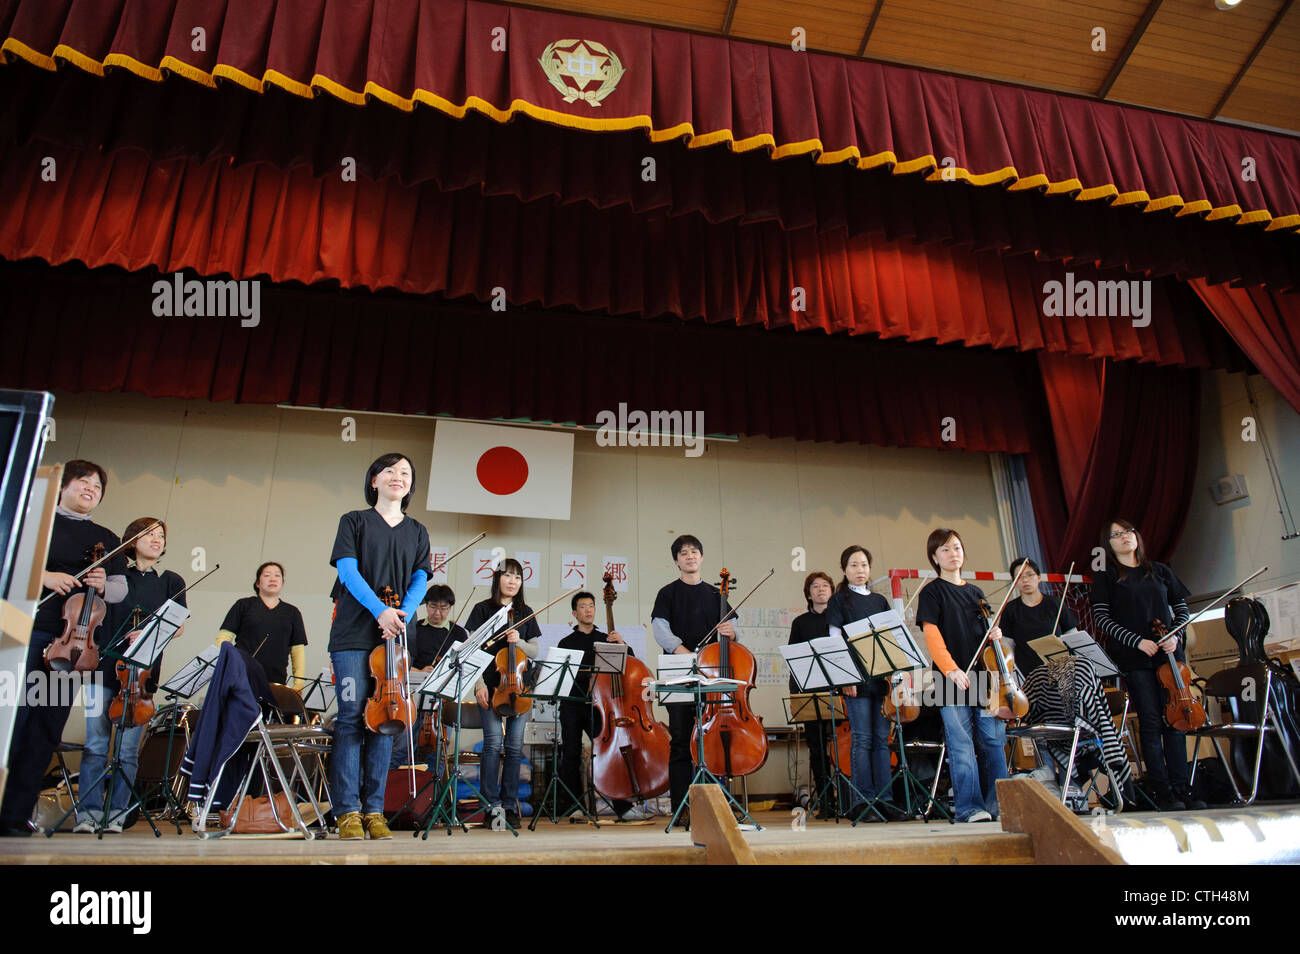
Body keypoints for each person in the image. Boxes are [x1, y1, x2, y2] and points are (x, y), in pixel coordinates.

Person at [1, 460, 129, 837]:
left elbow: (121, 590)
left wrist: (104, 584)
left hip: (71, 648)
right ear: (63, 486)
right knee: (11, 721)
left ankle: (14, 817)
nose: (91, 489)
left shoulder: (105, 538)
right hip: (23, 632)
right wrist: (41, 576)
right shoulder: (33, 525)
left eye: (98, 487)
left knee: (44, 727)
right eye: (83, 482)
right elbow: (6, 564)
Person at [327, 453, 431, 840]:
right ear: (373, 480)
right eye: (389, 470)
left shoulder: (418, 530)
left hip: (394, 634)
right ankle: (347, 811)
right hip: (354, 633)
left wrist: (400, 613)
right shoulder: (353, 521)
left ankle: (374, 810)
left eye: (405, 472)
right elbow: (348, 571)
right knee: (353, 716)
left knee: (388, 720)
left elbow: (420, 577)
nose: (397, 477)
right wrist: (380, 612)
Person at [77, 517, 186, 833]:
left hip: (140, 680)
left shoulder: (171, 581)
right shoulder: (114, 575)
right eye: (150, 534)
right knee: (95, 745)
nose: (157, 539)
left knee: (126, 751)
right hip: (102, 669)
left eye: (161, 535)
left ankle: (116, 813)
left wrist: (150, 632)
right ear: (132, 540)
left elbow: (177, 627)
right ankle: (88, 813)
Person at [1089, 518, 1204, 811]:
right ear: (1109, 544)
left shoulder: (1161, 571)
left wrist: (1175, 636)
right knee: (1151, 723)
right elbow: (1102, 619)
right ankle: (1161, 789)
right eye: (1116, 534)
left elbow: (1181, 609)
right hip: (1136, 658)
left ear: (1136, 535)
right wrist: (1137, 641)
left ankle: (1182, 787)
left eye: (1127, 531)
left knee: (1177, 720)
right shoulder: (1106, 575)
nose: (1124, 537)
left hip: (1170, 656)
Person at [915, 528, 1008, 822]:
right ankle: (969, 807)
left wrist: (996, 634)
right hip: (948, 679)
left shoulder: (976, 593)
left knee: (993, 744)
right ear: (934, 557)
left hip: (984, 678)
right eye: (945, 550)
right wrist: (951, 669)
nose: (953, 554)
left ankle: (1001, 805)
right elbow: (932, 635)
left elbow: (987, 639)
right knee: (961, 745)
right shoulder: (932, 591)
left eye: (956, 547)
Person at [650, 534, 737, 824]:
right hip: (679, 669)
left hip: (711, 673)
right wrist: (684, 652)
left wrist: (732, 633)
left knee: (711, 739)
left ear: (701, 557)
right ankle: (680, 807)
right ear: (677, 561)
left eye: (694, 552)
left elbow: (734, 629)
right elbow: (659, 628)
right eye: (683, 553)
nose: (690, 556)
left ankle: (716, 804)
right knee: (680, 740)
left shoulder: (717, 595)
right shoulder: (667, 593)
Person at [825, 546, 899, 819]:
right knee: (862, 739)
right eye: (854, 565)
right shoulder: (839, 600)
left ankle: (886, 800)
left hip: (881, 681)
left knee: (882, 740)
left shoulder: (880, 600)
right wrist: (844, 676)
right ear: (844, 569)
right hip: (855, 679)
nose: (860, 570)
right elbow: (834, 639)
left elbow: (890, 640)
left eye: (864, 565)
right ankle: (863, 801)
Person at [466, 559, 540, 829]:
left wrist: (517, 640)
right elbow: (471, 650)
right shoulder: (482, 609)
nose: (513, 581)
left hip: (520, 687)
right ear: (497, 578)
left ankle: (509, 806)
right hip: (489, 686)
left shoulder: (526, 611)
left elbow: (534, 651)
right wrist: (478, 685)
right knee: (493, 744)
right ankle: (490, 806)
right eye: (508, 575)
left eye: (518, 577)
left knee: (514, 747)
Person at [556, 591, 634, 820]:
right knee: (571, 754)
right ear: (574, 612)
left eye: (591, 605)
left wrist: (622, 643)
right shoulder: (566, 643)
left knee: (608, 753)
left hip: (599, 706)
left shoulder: (606, 638)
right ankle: (574, 807)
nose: (588, 610)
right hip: (572, 704)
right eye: (583, 606)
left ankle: (623, 807)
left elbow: (630, 661)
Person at [389, 584, 466, 771]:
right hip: (413, 694)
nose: (437, 613)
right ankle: (394, 790)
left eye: (443, 608)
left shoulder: (458, 633)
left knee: (438, 750)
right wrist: (419, 671)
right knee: (402, 745)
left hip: (441, 700)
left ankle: (433, 795)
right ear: (425, 605)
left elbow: (463, 665)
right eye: (433, 606)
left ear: (450, 607)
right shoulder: (413, 629)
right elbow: (401, 662)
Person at [787, 571, 837, 817]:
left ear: (831, 590)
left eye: (825, 585)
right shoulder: (800, 623)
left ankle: (849, 798)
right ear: (809, 594)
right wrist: (796, 696)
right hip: (811, 693)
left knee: (841, 747)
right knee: (817, 749)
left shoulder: (840, 620)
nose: (820, 590)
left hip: (840, 691)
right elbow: (794, 662)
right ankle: (826, 802)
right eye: (815, 587)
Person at [217, 561, 308, 688]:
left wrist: (298, 685)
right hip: (241, 677)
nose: (272, 578)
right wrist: (225, 666)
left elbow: (297, 651)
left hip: (276, 681)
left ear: (282, 582)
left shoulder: (292, 612)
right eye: (267, 575)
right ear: (257, 583)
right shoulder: (243, 605)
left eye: (277, 575)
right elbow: (224, 639)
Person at [999, 557, 1078, 677]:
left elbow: (1073, 637)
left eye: (1030, 575)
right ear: (1014, 582)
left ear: (1039, 577)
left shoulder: (1056, 603)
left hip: (1060, 672)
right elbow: (1007, 647)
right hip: (1028, 676)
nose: (1025, 580)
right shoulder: (1010, 610)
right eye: (1019, 576)